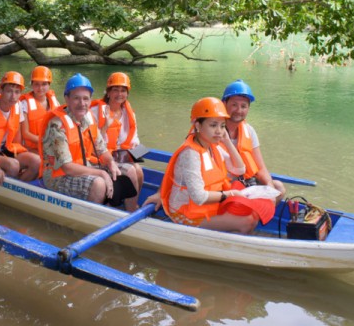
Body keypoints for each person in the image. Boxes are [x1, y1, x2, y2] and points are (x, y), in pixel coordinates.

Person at [158, 97, 275, 234]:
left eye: (222, 125)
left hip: (208, 206)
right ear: (198, 125)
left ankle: (226, 236)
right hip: (185, 212)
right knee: (247, 221)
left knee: (252, 213)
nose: (219, 131)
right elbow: (199, 197)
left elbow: (239, 169)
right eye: (213, 125)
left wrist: (227, 142)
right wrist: (230, 194)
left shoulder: (213, 147)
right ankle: (228, 247)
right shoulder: (191, 154)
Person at [40, 73, 139, 211]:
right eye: (76, 99)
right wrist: (102, 173)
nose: (82, 104)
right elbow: (68, 167)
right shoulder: (57, 126)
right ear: (67, 99)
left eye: (86, 99)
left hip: (84, 166)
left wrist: (110, 163)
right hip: (58, 176)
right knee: (99, 183)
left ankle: (130, 213)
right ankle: (92, 219)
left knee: (130, 171)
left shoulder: (88, 118)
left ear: (90, 99)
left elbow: (102, 149)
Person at [221, 79, 286, 201]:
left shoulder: (249, 131)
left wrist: (270, 189)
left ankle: (259, 213)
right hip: (225, 187)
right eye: (234, 105)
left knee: (278, 188)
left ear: (248, 109)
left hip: (245, 184)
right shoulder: (214, 129)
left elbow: (261, 168)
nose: (239, 110)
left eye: (243, 106)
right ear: (224, 104)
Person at [91, 72, 143, 192]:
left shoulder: (129, 113)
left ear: (127, 93)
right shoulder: (94, 112)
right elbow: (92, 142)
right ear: (108, 92)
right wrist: (105, 127)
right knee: (131, 172)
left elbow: (134, 138)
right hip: (99, 155)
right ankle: (130, 207)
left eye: (123, 90)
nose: (120, 94)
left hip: (120, 154)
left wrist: (134, 147)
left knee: (139, 171)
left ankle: (134, 204)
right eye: (115, 90)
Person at [19, 65, 60, 153]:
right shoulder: (24, 104)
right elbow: (25, 134)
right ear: (32, 84)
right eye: (36, 84)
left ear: (49, 84)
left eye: (44, 84)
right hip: (32, 148)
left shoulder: (54, 101)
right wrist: (45, 141)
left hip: (51, 145)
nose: (40, 88)